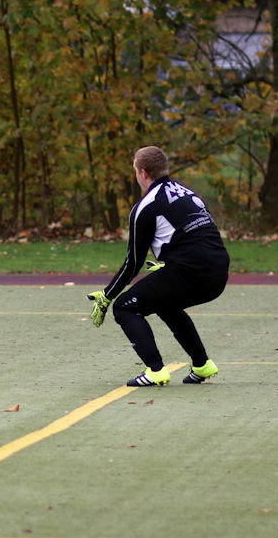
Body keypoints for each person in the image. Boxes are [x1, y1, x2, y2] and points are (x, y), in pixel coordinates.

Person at [86, 146, 230, 387]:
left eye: (135, 171)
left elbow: (133, 262)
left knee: (124, 308)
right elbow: (198, 236)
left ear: (142, 172)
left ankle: (155, 371)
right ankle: (202, 365)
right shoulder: (187, 192)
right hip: (218, 271)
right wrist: (171, 264)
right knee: (165, 303)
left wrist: (107, 295)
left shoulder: (146, 206)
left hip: (191, 273)